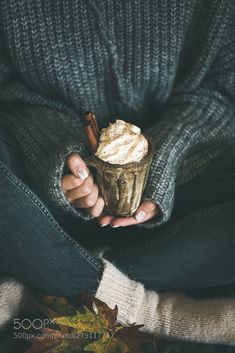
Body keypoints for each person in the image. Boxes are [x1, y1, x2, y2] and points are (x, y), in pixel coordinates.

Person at [0, 0, 235, 346]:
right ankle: (144, 308)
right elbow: (7, 88)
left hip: (187, 179)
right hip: (42, 191)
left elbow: (223, 87)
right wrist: (59, 155)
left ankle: (48, 274)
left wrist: (161, 158)